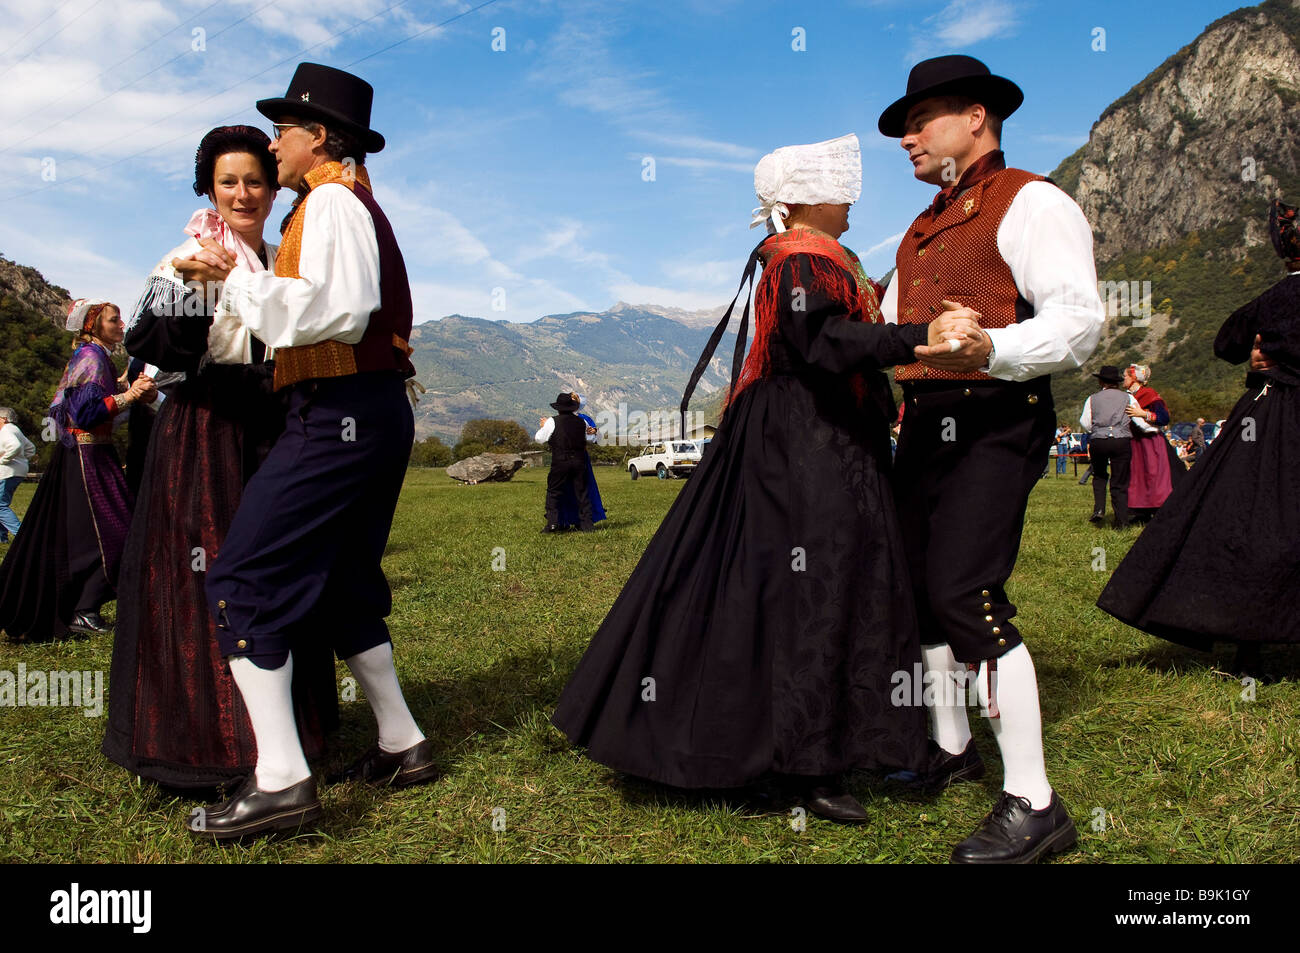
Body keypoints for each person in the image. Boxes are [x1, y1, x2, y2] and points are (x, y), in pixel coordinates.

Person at [553, 133, 979, 822]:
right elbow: (821, 343)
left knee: (795, 587)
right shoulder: (804, 257)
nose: (849, 195)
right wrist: (917, 338)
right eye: (838, 185)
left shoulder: (816, 256)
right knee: (814, 588)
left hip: (806, 437)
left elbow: (839, 325)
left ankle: (800, 746)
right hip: (806, 444)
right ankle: (801, 762)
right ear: (807, 198)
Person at [171, 63, 433, 839]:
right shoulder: (346, 204)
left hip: (339, 409)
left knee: (243, 577)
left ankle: (281, 779)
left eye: (282, 131)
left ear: (317, 137)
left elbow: (340, 311)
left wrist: (232, 279)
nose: (273, 147)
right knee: (345, 579)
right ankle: (401, 741)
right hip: (371, 408)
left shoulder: (326, 202)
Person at [876, 55, 1105, 862]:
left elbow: (1081, 322)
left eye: (919, 119)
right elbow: (887, 328)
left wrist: (993, 347)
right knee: (919, 590)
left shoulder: (1033, 199)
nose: (905, 138)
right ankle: (949, 746)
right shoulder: (916, 230)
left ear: (976, 116)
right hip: (926, 421)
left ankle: (1035, 801)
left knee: (964, 591)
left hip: (996, 414)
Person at [103, 126, 337, 791]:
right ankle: (208, 742)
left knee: (278, 574)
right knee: (204, 578)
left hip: (271, 430)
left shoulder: (279, 254)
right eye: (228, 181)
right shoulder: (191, 255)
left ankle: (289, 733)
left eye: (255, 180)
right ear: (210, 187)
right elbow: (156, 346)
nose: (243, 193)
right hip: (205, 432)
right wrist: (192, 289)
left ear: (271, 187)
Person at [1097, 199, 1300, 672]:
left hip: (1267, 415)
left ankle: (1245, 635)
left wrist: (1270, 353)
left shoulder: (1267, 301)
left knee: (1246, 518)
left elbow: (1225, 344)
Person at [0, 301, 155, 641]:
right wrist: (130, 395)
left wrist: (128, 390)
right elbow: (86, 413)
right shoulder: (92, 358)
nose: (121, 324)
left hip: (91, 453)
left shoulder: (96, 357)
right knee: (114, 531)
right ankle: (84, 609)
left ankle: (80, 605)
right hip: (88, 456)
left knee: (91, 532)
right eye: (114, 320)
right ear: (94, 325)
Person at [1123, 363, 1180, 521]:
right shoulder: (1126, 396)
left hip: (1150, 442)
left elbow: (1163, 418)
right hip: (1135, 441)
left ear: (1134, 378)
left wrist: (1142, 413)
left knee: (1153, 476)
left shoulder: (1149, 394)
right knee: (1136, 476)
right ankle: (1140, 511)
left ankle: (1157, 509)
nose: (1124, 379)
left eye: (1126, 376)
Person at [1079, 366, 1133, 528]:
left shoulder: (1092, 398)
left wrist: (1097, 430)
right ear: (1117, 382)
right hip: (1121, 440)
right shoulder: (1128, 398)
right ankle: (1121, 520)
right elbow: (1136, 418)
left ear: (1101, 381)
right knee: (1120, 481)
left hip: (1099, 440)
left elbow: (1085, 422)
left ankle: (1099, 509)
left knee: (1100, 475)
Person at [536, 392, 596, 532]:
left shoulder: (552, 421)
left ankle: (552, 523)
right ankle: (587, 524)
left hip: (560, 461)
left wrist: (543, 426)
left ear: (558, 408)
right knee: (582, 492)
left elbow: (539, 439)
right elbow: (591, 439)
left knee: (554, 491)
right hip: (579, 461)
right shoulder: (583, 422)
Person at [0, 408, 37, 543]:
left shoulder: (6, 430)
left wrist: (3, 460)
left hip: (6, 472)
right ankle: (2, 538)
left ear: (4, 418)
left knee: (0, 506)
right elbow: (31, 448)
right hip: (16, 471)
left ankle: (23, 538)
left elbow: (14, 446)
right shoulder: (15, 429)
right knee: (2, 505)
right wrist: (21, 459)